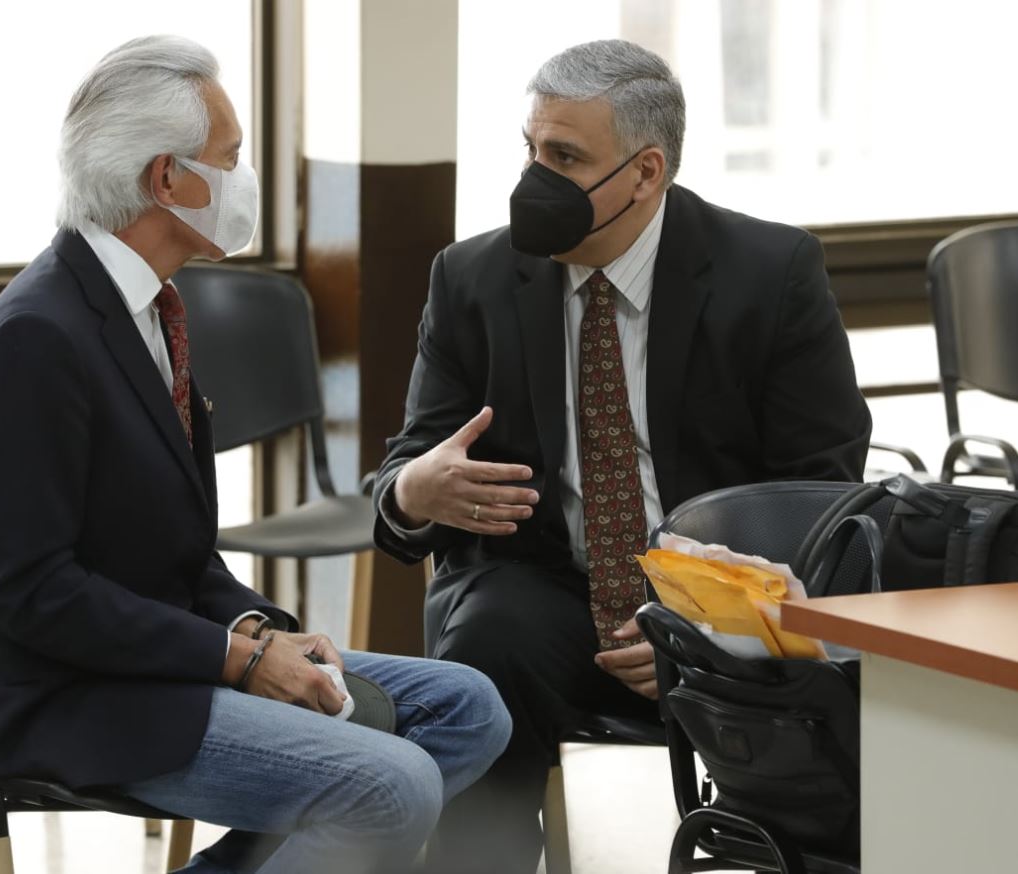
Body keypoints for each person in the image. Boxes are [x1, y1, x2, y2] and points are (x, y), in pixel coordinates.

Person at [0, 35, 511, 874]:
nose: (245, 180)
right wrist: (239, 660)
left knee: (469, 708)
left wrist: (259, 629)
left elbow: (175, 556)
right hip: (72, 695)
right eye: (232, 158)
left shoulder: (150, 308)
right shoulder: (40, 335)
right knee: (390, 788)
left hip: (162, 663)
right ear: (167, 179)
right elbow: (29, 592)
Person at [372, 39, 872, 874]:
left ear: (646, 172)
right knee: (485, 652)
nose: (535, 179)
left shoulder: (771, 272)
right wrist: (416, 491)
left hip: (714, 586)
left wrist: (705, 616)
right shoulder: (473, 278)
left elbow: (821, 492)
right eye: (530, 149)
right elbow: (410, 468)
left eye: (564, 157)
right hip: (544, 588)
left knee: (831, 682)